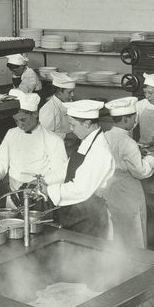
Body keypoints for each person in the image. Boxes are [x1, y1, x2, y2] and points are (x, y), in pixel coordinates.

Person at [44, 100, 115, 238]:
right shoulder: (87, 141)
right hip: (76, 212)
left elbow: (80, 188)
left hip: (89, 217)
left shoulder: (99, 150)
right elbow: (66, 169)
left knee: (84, 251)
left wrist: (48, 190)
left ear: (87, 124)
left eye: (73, 124)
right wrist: (44, 180)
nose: (71, 129)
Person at [0, 89, 67, 207]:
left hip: (40, 199)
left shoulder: (53, 140)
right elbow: (0, 162)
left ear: (35, 114)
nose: (20, 125)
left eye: (23, 120)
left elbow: (60, 173)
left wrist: (41, 182)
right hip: (14, 198)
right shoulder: (12, 134)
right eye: (16, 121)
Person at [102, 97, 154, 248]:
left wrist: (136, 151)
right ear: (125, 119)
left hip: (110, 190)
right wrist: (153, 158)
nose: (135, 121)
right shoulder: (127, 142)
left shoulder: (105, 136)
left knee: (116, 231)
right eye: (134, 118)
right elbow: (141, 172)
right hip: (127, 192)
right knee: (135, 231)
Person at [39, 73, 76, 139]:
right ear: (59, 92)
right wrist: (66, 136)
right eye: (70, 92)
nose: (73, 95)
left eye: (73, 91)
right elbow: (44, 134)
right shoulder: (49, 109)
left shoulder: (68, 103)